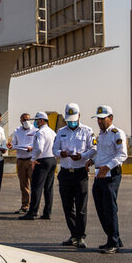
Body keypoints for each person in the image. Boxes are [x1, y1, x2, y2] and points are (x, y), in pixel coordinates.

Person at [52, 103, 97, 248]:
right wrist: (60, 153)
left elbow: (94, 148)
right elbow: (54, 148)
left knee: (81, 207)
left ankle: (81, 236)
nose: (71, 121)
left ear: (79, 116)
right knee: (67, 206)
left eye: (73, 118)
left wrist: (83, 156)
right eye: (69, 119)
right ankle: (74, 234)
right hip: (65, 173)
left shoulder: (87, 131)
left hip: (79, 173)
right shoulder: (61, 131)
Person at [87, 105, 128, 254]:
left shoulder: (117, 133)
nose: (99, 121)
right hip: (100, 175)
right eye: (98, 119)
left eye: (102, 119)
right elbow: (102, 153)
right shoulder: (102, 135)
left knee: (110, 209)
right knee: (100, 207)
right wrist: (92, 161)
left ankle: (114, 242)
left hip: (111, 175)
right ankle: (113, 237)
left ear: (110, 118)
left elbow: (122, 155)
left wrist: (107, 167)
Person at [19, 112, 57, 220]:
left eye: (36, 120)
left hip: (42, 160)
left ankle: (32, 212)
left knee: (36, 187)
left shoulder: (40, 132)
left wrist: (33, 159)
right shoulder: (52, 132)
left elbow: (39, 148)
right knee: (48, 188)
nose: (35, 122)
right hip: (51, 159)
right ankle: (47, 212)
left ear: (41, 120)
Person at [7, 113, 36, 213]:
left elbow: (38, 145)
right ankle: (24, 205)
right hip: (20, 160)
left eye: (28, 119)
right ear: (21, 121)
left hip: (31, 160)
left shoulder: (35, 131)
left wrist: (32, 148)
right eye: (24, 120)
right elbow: (14, 144)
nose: (26, 122)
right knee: (23, 185)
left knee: (34, 184)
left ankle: (34, 207)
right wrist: (11, 146)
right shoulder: (17, 131)